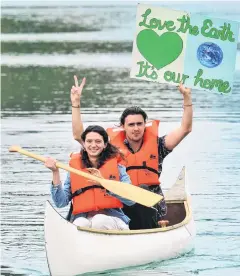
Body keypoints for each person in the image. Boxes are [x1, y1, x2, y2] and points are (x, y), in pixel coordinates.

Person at [70, 75, 193, 230]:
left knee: (142, 187)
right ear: (123, 126)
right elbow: (78, 135)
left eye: (139, 124)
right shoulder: (109, 149)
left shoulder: (159, 145)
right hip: (121, 205)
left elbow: (185, 129)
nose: (136, 128)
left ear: (145, 125)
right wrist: (76, 104)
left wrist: (187, 98)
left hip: (150, 205)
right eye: (131, 124)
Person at [44, 125, 134, 230]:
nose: (93, 145)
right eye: (89, 141)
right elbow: (60, 202)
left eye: (98, 141)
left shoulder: (118, 168)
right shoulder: (75, 169)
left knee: (99, 220)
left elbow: (131, 200)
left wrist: (104, 184)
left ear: (105, 144)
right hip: (84, 219)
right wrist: (55, 172)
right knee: (80, 223)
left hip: (113, 220)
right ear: (84, 144)